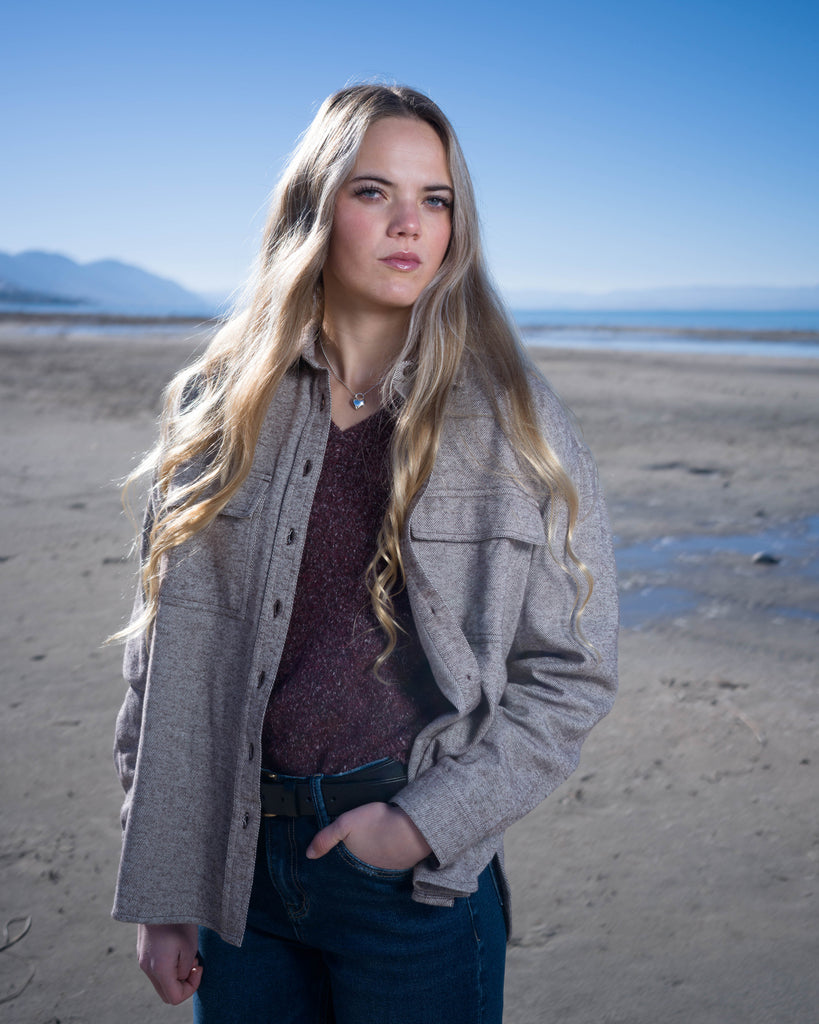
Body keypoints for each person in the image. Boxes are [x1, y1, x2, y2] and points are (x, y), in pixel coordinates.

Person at [111, 83, 619, 1023]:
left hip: (409, 885)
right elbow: (164, 665)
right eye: (373, 191)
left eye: (435, 200)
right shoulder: (219, 410)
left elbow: (572, 674)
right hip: (238, 880)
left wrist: (420, 826)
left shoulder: (512, 418)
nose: (408, 225)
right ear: (315, 206)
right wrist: (164, 885)